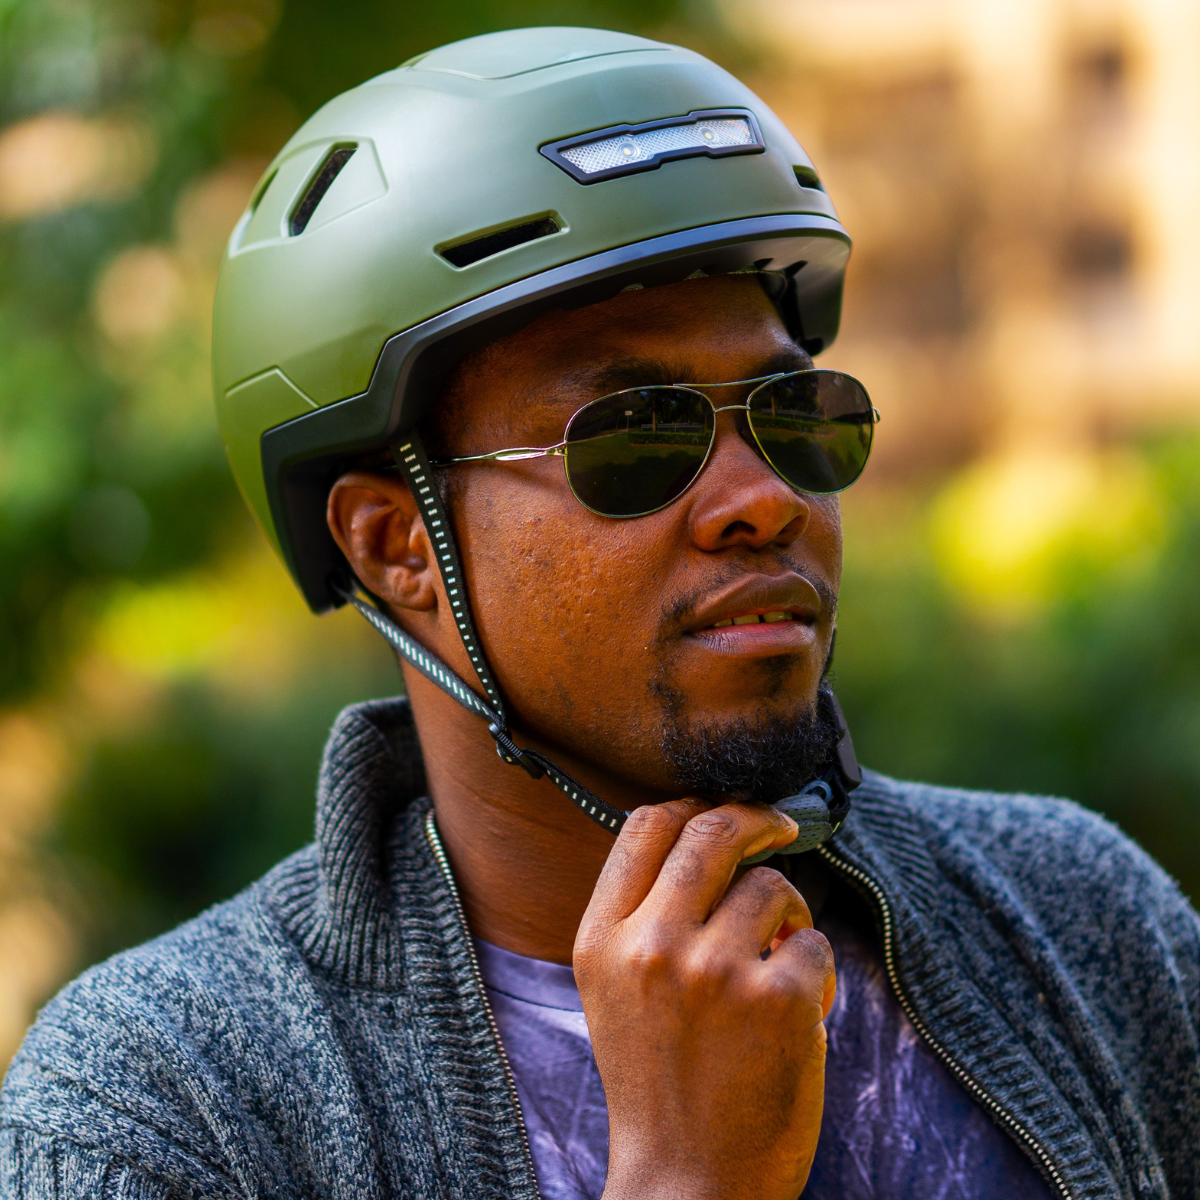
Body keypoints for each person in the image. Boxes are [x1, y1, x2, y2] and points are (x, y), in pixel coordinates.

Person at [2, 26, 1197, 1200]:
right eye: (635, 437)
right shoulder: (157, 1110)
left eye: (796, 414)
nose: (765, 499)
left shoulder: (1080, 919)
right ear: (396, 542)